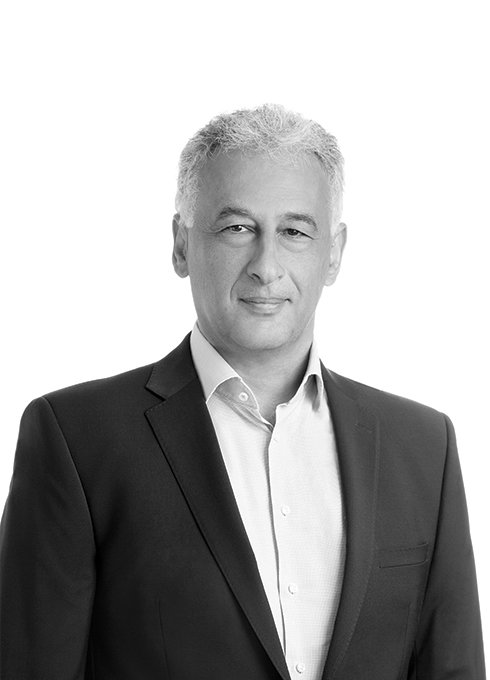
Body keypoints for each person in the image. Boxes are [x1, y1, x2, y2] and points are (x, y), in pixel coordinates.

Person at [0, 103, 485, 680]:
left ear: (334, 252)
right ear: (181, 244)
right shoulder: (76, 439)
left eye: (294, 232)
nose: (266, 265)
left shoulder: (424, 447)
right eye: (237, 228)